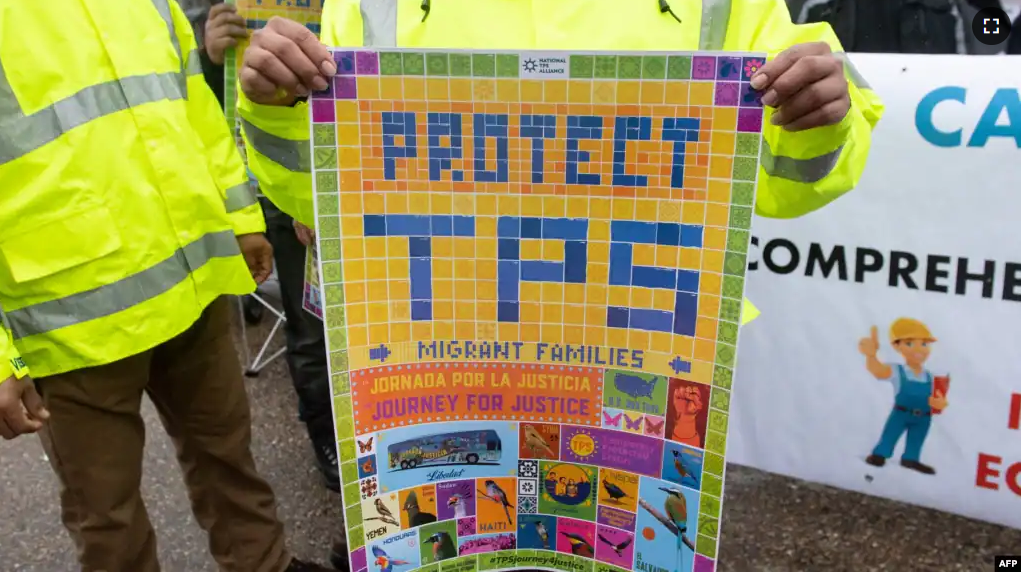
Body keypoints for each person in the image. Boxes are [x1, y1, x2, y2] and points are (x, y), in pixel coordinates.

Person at [234, 0, 884, 331]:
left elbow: (780, 182)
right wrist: (279, 110)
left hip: (646, 344)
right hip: (441, 345)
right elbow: (334, 196)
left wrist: (817, 114)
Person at [0, 2, 335, 571]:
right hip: (72, 325)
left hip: (193, 286)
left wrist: (242, 218)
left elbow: (195, 109)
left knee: (230, 461)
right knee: (107, 515)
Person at [858, 319, 947, 475]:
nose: (919, 349)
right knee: (891, 433)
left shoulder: (930, 377)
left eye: (924, 344)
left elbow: (939, 398)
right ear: (897, 346)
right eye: (910, 343)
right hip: (901, 412)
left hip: (924, 416)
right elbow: (879, 371)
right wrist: (871, 356)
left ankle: (911, 459)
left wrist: (939, 404)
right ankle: (880, 455)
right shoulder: (898, 371)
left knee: (917, 438)